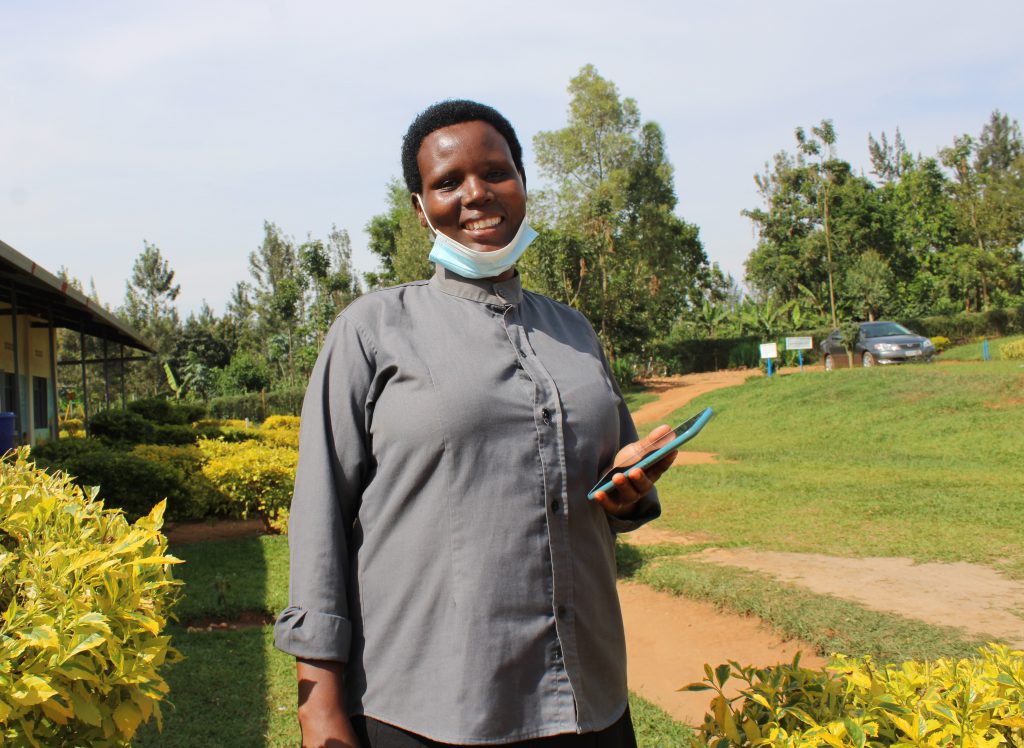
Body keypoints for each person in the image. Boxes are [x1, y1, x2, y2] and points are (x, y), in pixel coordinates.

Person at [274, 100, 677, 748]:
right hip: (434, 711)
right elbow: (318, 515)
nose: (476, 195)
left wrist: (627, 486)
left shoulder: (573, 332)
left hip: (590, 701)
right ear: (419, 206)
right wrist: (319, 708)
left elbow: (608, 479)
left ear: (522, 182)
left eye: (496, 172)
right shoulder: (372, 331)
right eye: (448, 182)